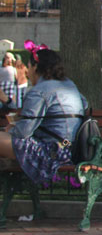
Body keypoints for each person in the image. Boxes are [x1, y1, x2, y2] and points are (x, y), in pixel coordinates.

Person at [0, 43, 85, 186]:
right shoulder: (69, 84)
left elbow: (23, 132)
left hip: (51, 152)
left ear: (35, 67)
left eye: (28, 66)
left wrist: (10, 129)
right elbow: (85, 105)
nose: (27, 71)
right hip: (69, 147)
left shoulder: (39, 91)